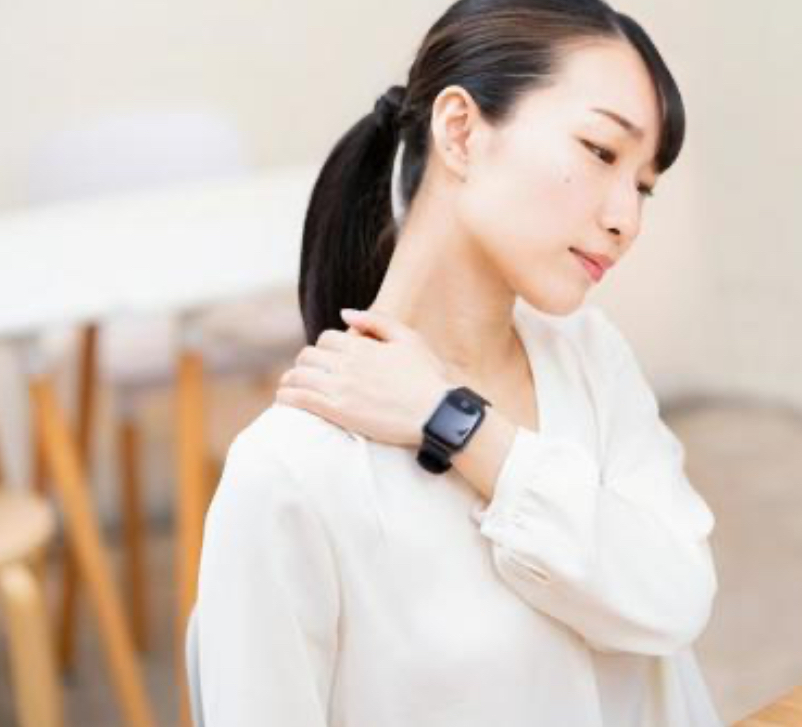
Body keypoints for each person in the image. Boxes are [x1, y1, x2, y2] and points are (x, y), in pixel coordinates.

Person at [194, 0, 722, 724]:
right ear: (461, 131)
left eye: (643, 186)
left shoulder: (589, 358)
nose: (625, 220)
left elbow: (675, 598)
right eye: (601, 152)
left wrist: (457, 425)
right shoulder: (291, 471)